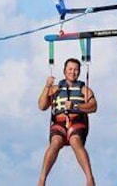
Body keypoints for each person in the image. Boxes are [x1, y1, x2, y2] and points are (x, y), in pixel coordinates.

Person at [38, 58, 98, 186]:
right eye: (70, 69)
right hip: (59, 123)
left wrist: (76, 106)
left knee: (75, 141)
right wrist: (47, 86)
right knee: (55, 142)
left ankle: (89, 178)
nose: (73, 72)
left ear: (79, 72)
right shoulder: (55, 89)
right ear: (64, 71)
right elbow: (42, 106)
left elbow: (93, 106)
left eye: (76, 69)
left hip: (77, 122)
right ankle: (42, 180)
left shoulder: (84, 90)